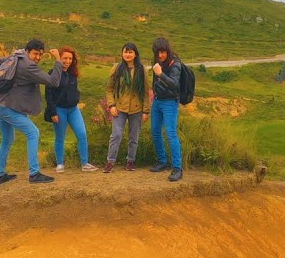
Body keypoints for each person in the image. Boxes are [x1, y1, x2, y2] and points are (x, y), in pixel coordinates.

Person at [0, 38, 62, 184]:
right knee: (33, 133)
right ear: (27, 51)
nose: (38, 58)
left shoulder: (17, 55)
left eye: (40, 55)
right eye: (35, 54)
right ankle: (34, 174)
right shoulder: (28, 67)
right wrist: (58, 60)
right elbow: (53, 82)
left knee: (7, 139)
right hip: (5, 107)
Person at [45, 46, 98, 173]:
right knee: (60, 137)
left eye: (70, 58)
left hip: (73, 109)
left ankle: (84, 163)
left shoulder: (72, 73)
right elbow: (49, 94)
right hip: (59, 110)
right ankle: (59, 164)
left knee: (82, 134)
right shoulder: (52, 73)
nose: (67, 61)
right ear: (59, 59)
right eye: (65, 58)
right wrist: (53, 112)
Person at [103, 42, 149, 173]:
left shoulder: (141, 69)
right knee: (116, 135)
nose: (127, 54)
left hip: (136, 108)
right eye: (125, 52)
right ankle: (110, 162)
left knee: (134, 137)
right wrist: (111, 105)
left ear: (135, 54)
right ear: (122, 53)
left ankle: (130, 161)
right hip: (119, 108)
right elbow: (109, 89)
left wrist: (145, 110)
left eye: (130, 52)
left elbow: (146, 91)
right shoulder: (117, 69)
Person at [148, 36, 183, 182]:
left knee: (170, 133)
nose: (160, 55)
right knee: (155, 131)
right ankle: (162, 161)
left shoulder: (175, 64)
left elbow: (175, 85)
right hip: (157, 101)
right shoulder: (157, 62)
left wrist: (160, 74)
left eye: (163, 52)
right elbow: (154, 81)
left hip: (170, 102)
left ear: (167, 50)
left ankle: (177, 168)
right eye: (158, 53)